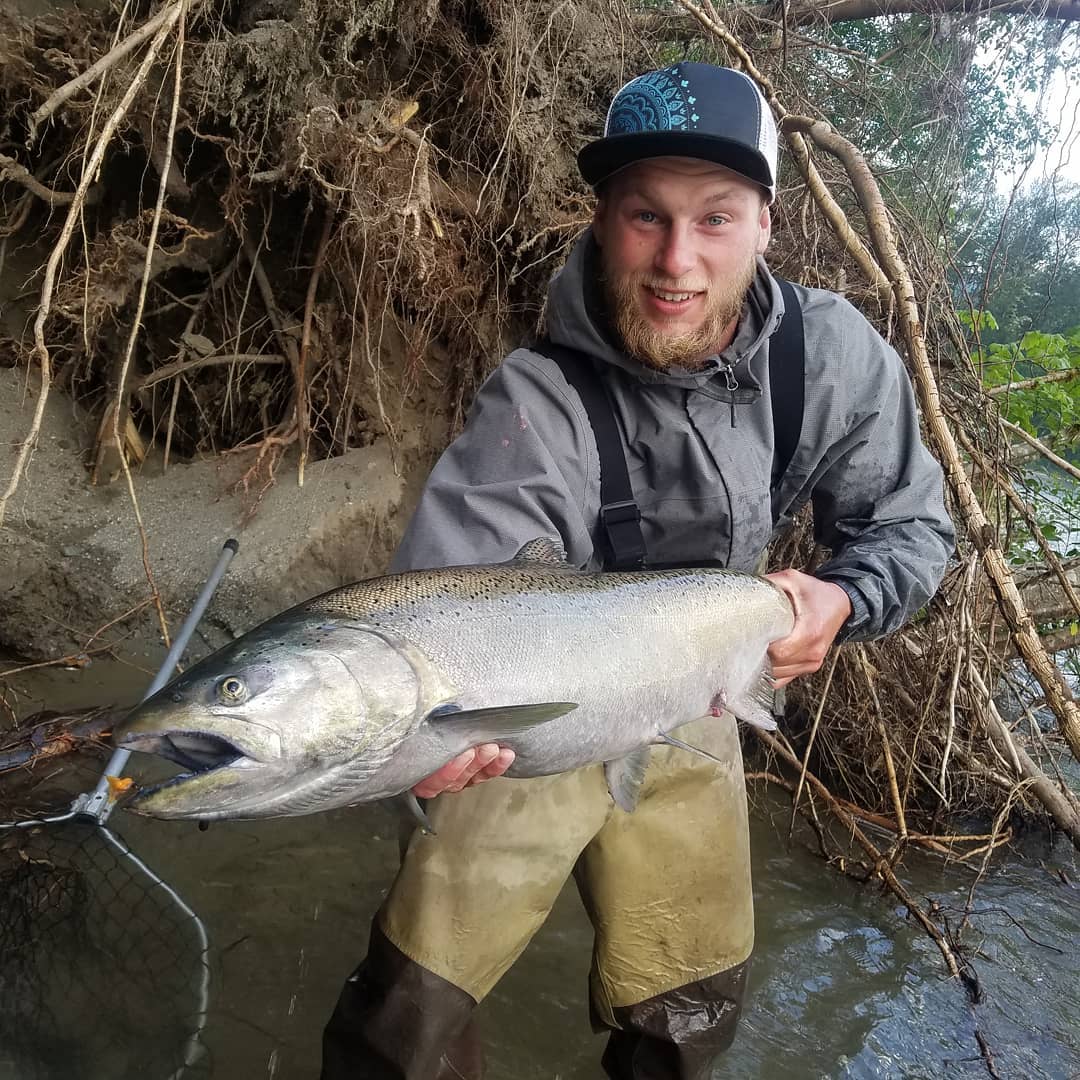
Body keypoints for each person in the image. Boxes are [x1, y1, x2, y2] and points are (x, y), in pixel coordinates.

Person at [321, 62, 954, 1079]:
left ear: (766, 223)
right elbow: (450, 608)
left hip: (702, 693)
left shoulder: (830, 358)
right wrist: (416, 738)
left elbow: (913, 532)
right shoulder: (539, 396)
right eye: (644, 217)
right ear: (604, 219)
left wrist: (842, 599)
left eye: (714, 219)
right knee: (401, 1029)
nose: (676, 261)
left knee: (688, 1021)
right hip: (533, 713)